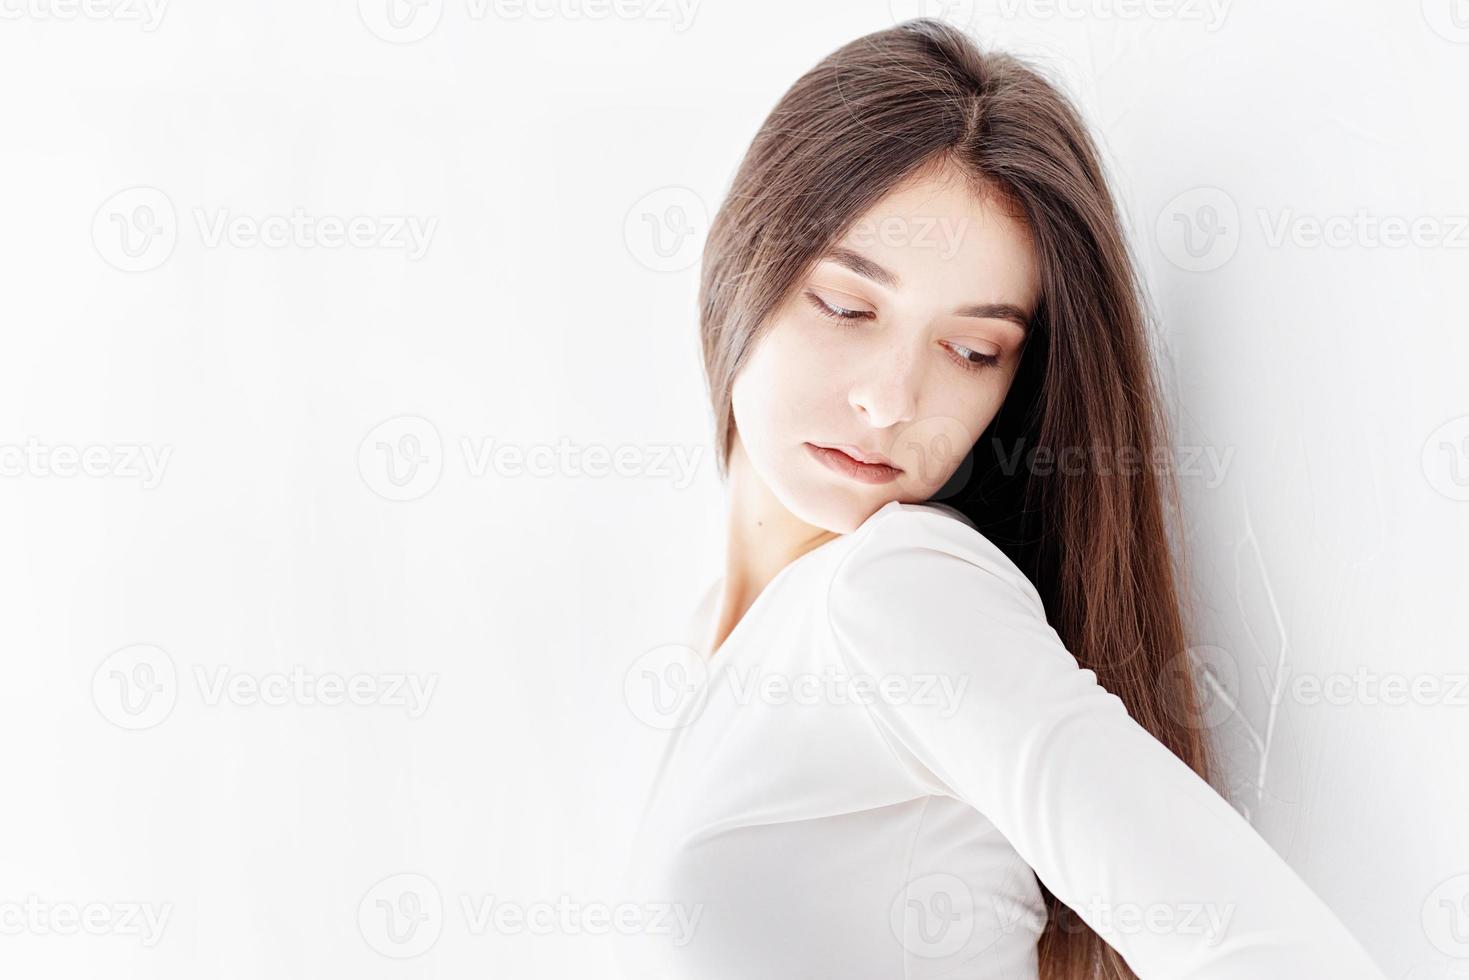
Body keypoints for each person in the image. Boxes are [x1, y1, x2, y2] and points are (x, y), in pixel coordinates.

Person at [618, 18, 1388, 980]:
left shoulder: (895, 592)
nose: (891, 401)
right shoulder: (712, 639)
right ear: (743, 260)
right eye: (849, 306)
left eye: (972, 351)